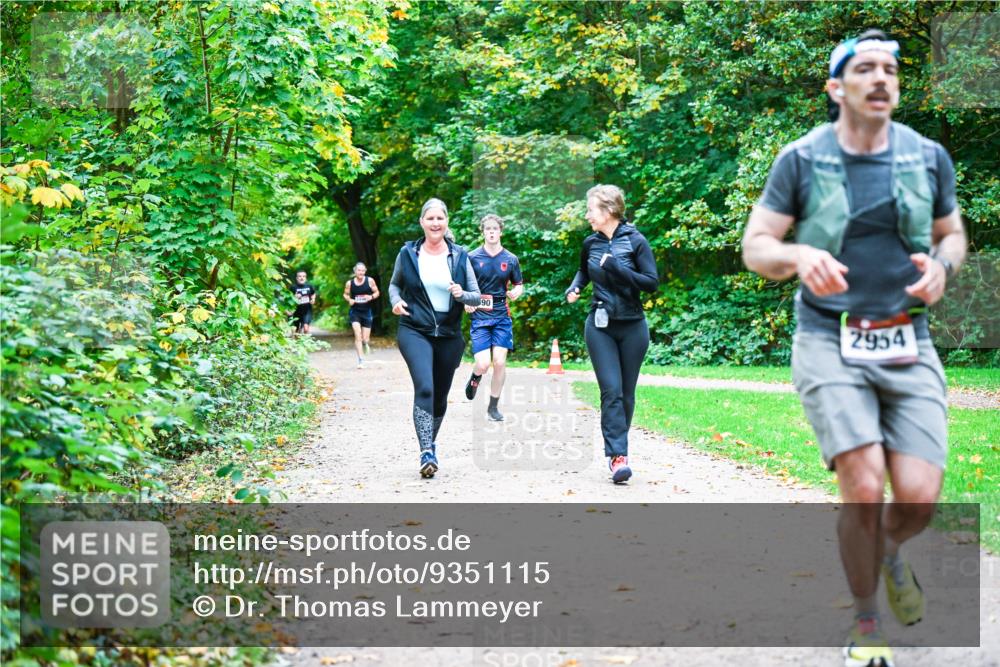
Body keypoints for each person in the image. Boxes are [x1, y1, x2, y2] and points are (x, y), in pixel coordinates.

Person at [741, 29, 966, 667]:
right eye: (865, 68)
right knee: (864, 485)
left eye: (890, 69)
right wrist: (799, 253)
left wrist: (945, 265)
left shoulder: (926, 156)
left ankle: (891, 551)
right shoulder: (803, 159)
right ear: (837, 87)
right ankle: (867, 624)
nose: (881, 78)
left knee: (918, 499)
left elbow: (952, 234)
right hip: (828, 339)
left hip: (907, 338)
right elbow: (757, 244)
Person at [565, 184, 658, 484]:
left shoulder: (636, 241)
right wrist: (575, 287)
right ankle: (618, 457)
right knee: (611, 391)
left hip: (633, 326)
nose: (587, 215)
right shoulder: (590, 243)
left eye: (591, 209)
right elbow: (582, 271)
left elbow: (650, 283)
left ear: (608, 211)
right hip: (600, 326)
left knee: (626, 395)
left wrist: (619, 269)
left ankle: (619, 448)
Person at [388, 198, 481, 478]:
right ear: (422, 222)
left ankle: (430, 444)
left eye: (440, 218)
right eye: (430, 218)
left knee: (440, 398)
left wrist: (461, 295)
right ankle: (426, 451)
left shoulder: (460, 256)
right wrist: (395, 301)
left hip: (449, 335)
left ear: (446, 221)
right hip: (414, 329)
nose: (435, 223)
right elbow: (395, 284)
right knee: (425, 388)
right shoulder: (408, 253)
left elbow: (476, 295)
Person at [463, 214, 524, 421]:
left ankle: (493, 407)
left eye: (494, 229)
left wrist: (518, 292)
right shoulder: (472, 257)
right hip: (480, 316)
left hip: (501, 316)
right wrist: (467, 302)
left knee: (499, 362)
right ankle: (475, 377)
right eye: (487, 229)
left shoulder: (511, 259)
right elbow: (463, 286)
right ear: (483, 232)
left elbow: (518, 284)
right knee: (483, 364)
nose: (491, 232)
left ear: (500, 231)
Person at [344, 262, 380, 368]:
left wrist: (371, 297)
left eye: (363, 270)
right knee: (357, 335)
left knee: (365, 339)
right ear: (355, 271)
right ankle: (360, 360)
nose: (361, 272)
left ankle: (365, 343)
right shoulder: (350, 283)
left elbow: (377, 292)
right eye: (359, 270)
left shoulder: (370, 281)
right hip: (355, 312)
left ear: (365, 271)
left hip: (366, 312)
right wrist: (349, 299)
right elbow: (345, 294)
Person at [290, 270, 317, 334]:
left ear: (306, 278)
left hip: (307, 311)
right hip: (296, 311)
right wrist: (294, 297)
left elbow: (313, 293)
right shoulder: (293, 287)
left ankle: (306, 340)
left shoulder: (309, 286)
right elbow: (288, 298)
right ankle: (298, 342)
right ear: (297, 278)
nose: (302, 278)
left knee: (306, 328)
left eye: (303, 276)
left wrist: (313, 299)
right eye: (300, 276)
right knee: (296, 331)